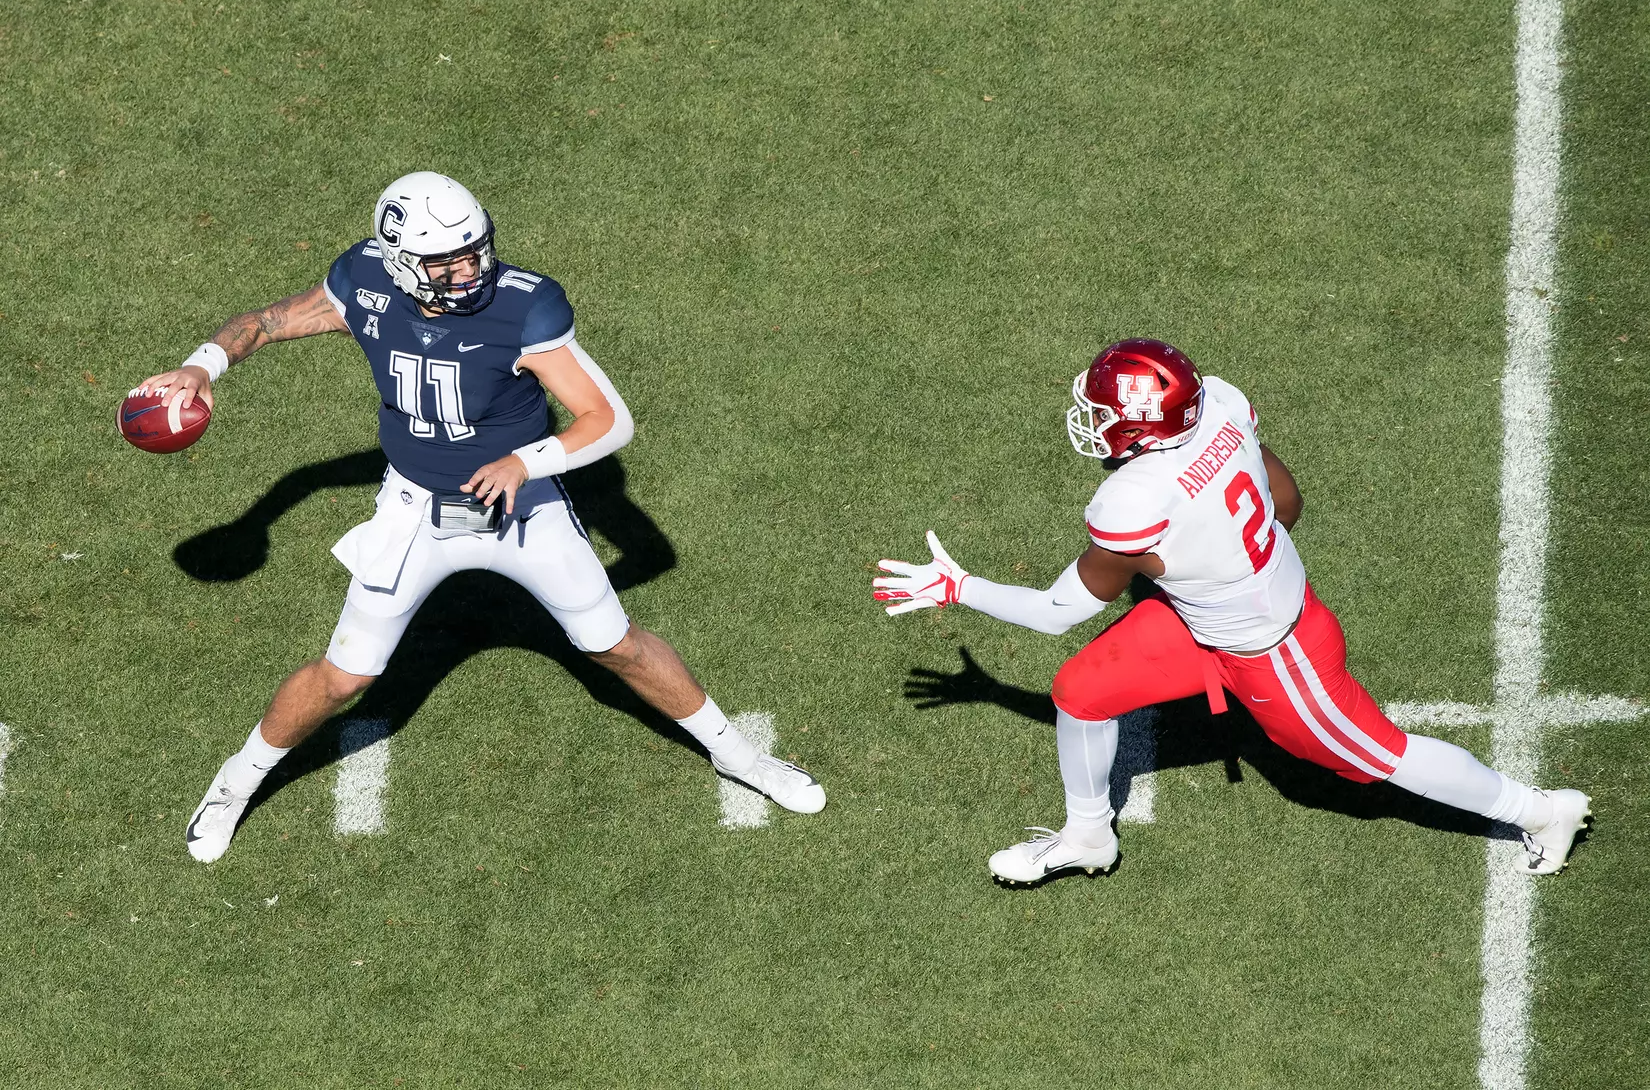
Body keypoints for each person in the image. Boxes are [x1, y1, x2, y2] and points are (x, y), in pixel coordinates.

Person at [137, 172, 825, 863]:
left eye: (474, 251)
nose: (469, 271)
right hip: (414, 509)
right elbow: (266, 322)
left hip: (524, 508)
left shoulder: (523, 308)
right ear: (400, 261)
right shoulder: (365, 281)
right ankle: (235, 782)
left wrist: (526, 462)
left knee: (614, 645)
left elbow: (608, 419)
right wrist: (200, 368)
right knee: (346, 676)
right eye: (446, 262)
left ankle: (740, 757)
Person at [873, 338, 1588, 885]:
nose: (1091, 420)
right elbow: (1287, 502)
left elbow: (1059, 612)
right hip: (1206, 622)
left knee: (1377, 758)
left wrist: (958, 586)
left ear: (1143, 427)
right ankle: (1089, 836)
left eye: (1104, 412)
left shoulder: (1130, 501)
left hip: (1276, 652)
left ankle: (1543, 810)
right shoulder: (1216, 403)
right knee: (1082, 692)